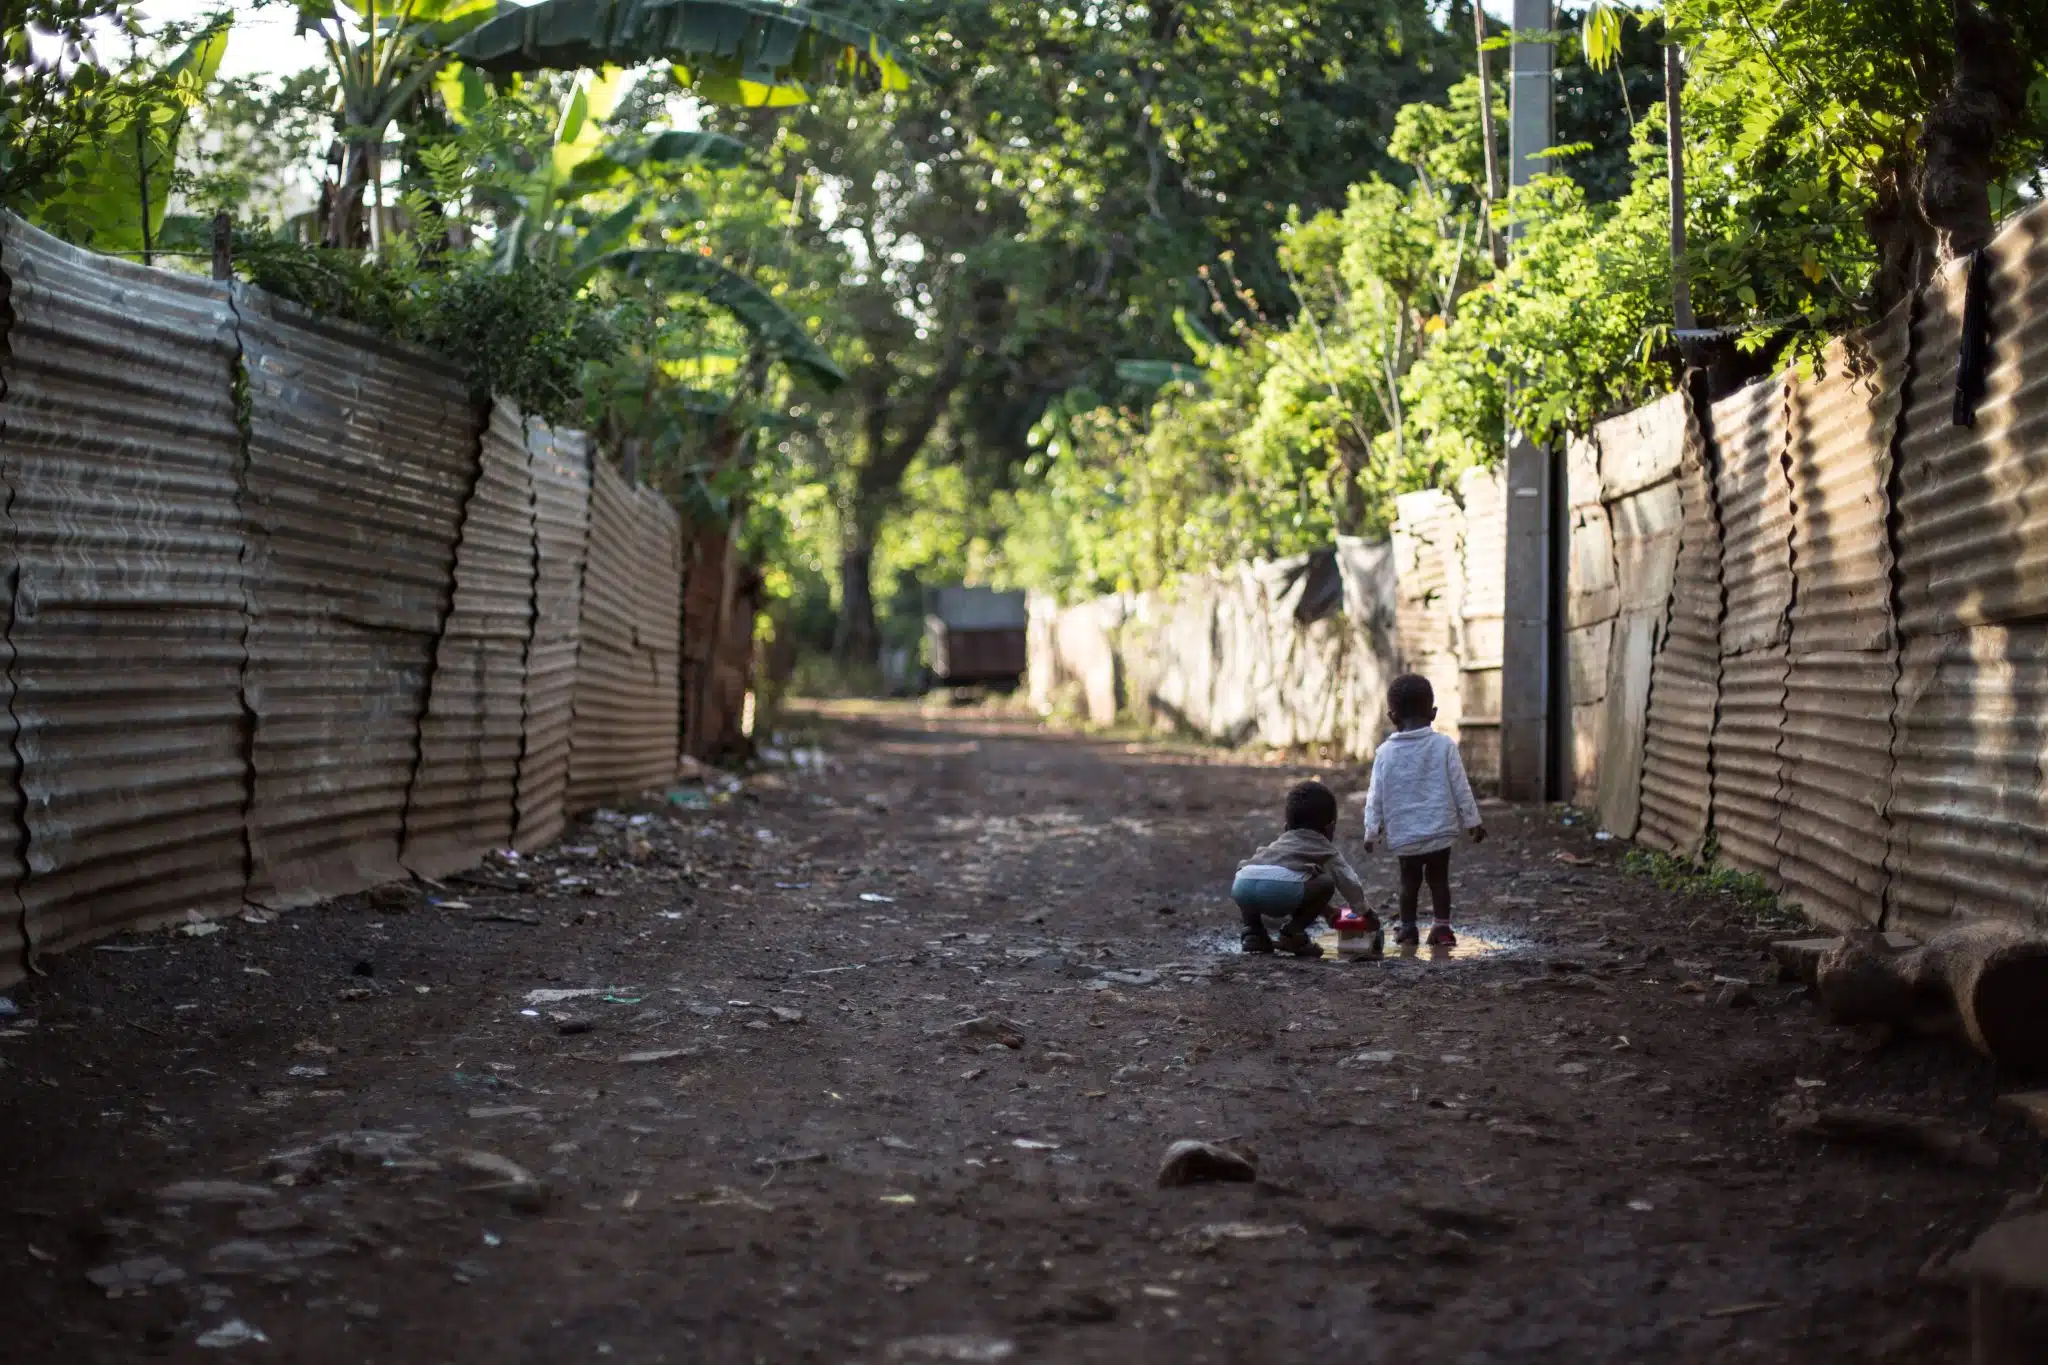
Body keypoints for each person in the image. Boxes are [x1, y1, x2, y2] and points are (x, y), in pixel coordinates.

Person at [1361, 673, 1485, 948]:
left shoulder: (1385, 753)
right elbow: (1460, 786)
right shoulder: (1444, 746)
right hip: (1440, 830)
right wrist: (1473, 821)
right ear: (1433, 713)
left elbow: (1375, 796)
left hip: (1405, 834)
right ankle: (1441, 929)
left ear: (1392, 716)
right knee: (1439, 880)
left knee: (1409, 883)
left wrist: (1371, 831)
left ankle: (1408, 929)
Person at [1232, 780, 1369, 959]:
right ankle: (1292, 933)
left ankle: (1253, 931)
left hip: (1242, 885)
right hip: (1280, 893)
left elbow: (1287, 878)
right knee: (1325, 883)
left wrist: (1327, 911)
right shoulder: (1325, 848)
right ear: (1330, 828)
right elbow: (1348, 881)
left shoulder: (1281, 843)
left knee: (1258, 876)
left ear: (1286, 828)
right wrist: (1364, 912)